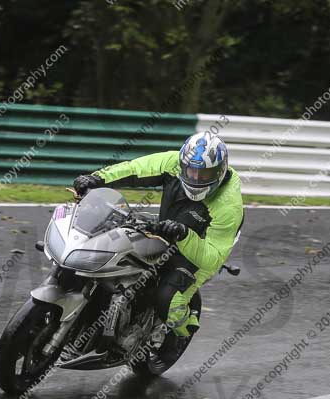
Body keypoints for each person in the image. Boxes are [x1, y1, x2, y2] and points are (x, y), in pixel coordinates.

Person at [72, 132, 244, 368]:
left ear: (219, 172)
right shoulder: (172, 162)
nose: (194, 178)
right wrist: (97, 178)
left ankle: (180, 333)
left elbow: (212, 257)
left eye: (203, 174)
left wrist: (183, 234)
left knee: (167, 299)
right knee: (108, 251)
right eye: (190, 171)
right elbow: (135, 169)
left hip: (200, 249)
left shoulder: (229, 206)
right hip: (163, 230)